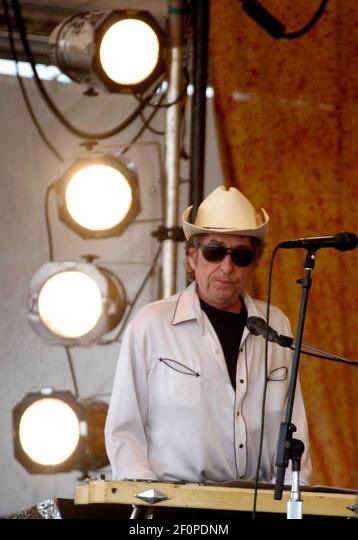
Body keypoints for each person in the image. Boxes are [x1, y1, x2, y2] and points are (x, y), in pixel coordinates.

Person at [105, 185, 312, 486]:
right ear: (191, 257)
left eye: (240, 256)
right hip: (176, 506)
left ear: (255, 263)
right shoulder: (151, 324)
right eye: (214, 252)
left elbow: (294, 423)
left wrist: (297, 496)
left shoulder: (275, 325)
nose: (226, 266)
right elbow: (124, 429)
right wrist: (148, 503)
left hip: (259, 506)